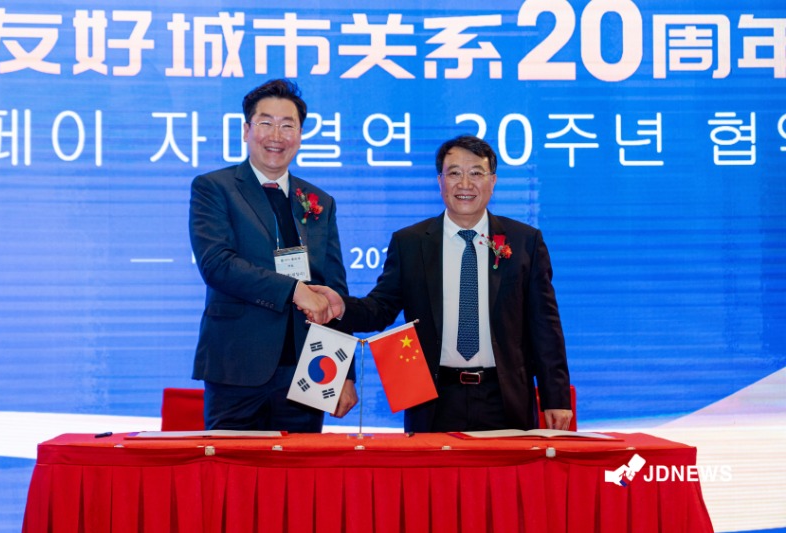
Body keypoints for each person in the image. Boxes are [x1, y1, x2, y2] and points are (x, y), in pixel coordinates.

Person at [310, 135, 572, 433]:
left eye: (476, 173)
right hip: (434, 400)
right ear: (440, 181)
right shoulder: (410, 243)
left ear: (493, 181)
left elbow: (545, 326)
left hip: (504, 397)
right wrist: (343, 307)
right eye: (454, 173)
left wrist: (556, 397)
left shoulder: (525, 241)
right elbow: (380, 309)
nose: (465, 184)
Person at [189, 79, 357, 432]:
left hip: (308, 371)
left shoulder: (319, 202)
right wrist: (294, 290)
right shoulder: (214, 188)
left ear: (300, 135)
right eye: (265, 123)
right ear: (247, 130)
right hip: (237, 368)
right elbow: (217, 265)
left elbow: (334, 291)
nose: (276, 136)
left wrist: (343, 371)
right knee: (233, 467)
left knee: (300, 467)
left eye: (287, 125)